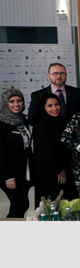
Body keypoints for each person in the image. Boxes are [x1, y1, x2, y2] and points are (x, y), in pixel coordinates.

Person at [31, 94, 75, 202]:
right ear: (43, 107)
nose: (54, 108)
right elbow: (45, 151)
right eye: (50, 106)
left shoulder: (63, 121)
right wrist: (58, 170)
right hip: (50, 172)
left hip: (65, 168)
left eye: (57, 104)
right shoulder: (40, 125)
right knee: (53, 203)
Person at [0, 89, 32, 218]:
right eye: (12, 101)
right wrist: (8, 177)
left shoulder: (23, 120)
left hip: (23, 171)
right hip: (9, 173)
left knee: (22, 204)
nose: (16, 104)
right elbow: (0, 153)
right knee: (20, 204)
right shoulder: (1, 124)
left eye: (19, 100)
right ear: (5, 103)